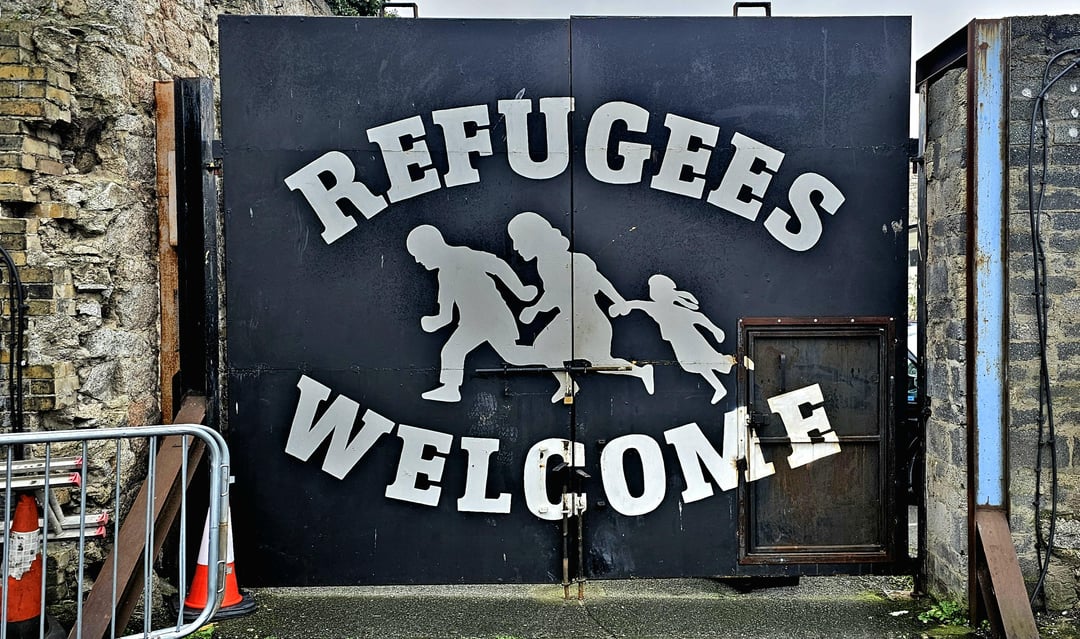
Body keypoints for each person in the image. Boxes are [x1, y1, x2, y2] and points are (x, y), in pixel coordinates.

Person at [507, 211, 653, 402]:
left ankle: (641, 373)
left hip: (589, 320)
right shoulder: (545, 264)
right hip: (570, 319)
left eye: (519, 240)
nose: (516, 248)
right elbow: (557, 294)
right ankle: (569, 385)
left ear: (534, 238)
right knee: (544, 348)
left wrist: (619, 301)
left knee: (600, 362)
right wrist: (535, 309)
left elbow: (595, 282)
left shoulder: (573, 260)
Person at [406, 224, 537, 402]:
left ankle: (550, 357)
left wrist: (521, 292)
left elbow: (497, 265)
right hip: (475, 322)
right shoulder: (444, 275)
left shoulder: (465, 256)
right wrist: (433, 322)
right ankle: (450, 389)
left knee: (456, 351)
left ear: (431, 248)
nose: (417, 261)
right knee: (507, 354)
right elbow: (446, 316)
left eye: (418, 255)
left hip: (492, 318)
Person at [625, 274, 734, 404]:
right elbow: (638, 304)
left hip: (692, 339)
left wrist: (715, 330)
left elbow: (698, 316)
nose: (651, 292)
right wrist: (623, 306)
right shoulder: (656, 308)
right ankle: (720, 386)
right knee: (694, 365)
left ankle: (726, 363)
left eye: (654, 288)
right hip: (678, 343)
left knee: (705, 361)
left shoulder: (674, 310)